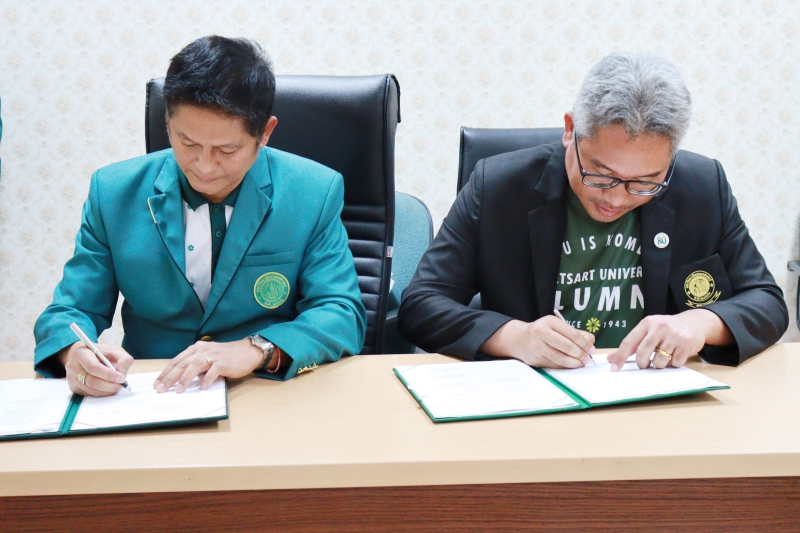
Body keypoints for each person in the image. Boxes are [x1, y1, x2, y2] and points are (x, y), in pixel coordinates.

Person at [398, 51, 788, 371]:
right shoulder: (498, 187)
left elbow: (767, 301)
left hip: (656, 394)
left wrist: (699, 323)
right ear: (570, 130)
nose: (616, 199)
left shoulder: (701, 187)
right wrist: (514, 337)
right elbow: (420, 305)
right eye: (601, 176)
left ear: (671, 159)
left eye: (645, 182)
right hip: (537, 400)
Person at [34, 36, 366, 395]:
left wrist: (257, 349)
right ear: (167, 123)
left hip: (260, 390)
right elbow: (68, 312)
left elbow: (340, 312)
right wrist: (75, 354)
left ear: (265, 133)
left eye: (227, 150)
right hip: (151, 394)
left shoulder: (313, 192)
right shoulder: (113, 192)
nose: (205, 167)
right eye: (188, 143)